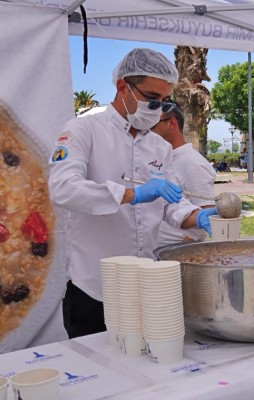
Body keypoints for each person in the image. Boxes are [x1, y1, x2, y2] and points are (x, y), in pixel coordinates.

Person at [48, 48, 216, 339]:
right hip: (93, 288)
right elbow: (63, 188)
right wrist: (131, 194)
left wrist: (197, 215)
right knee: (98, 372)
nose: (157, 108)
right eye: (151, 98)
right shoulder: (83, 130)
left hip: (145, 283)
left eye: (164, 101)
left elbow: (170, 203)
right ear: (122, 86)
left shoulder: (160, 147)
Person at [151, 102, 217, 247]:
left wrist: (181, 249)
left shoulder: (193, 163)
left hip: (176, 256)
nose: (148, 131)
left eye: (153, 125)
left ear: (172, 123)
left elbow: (206, 217)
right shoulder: (163, 159)